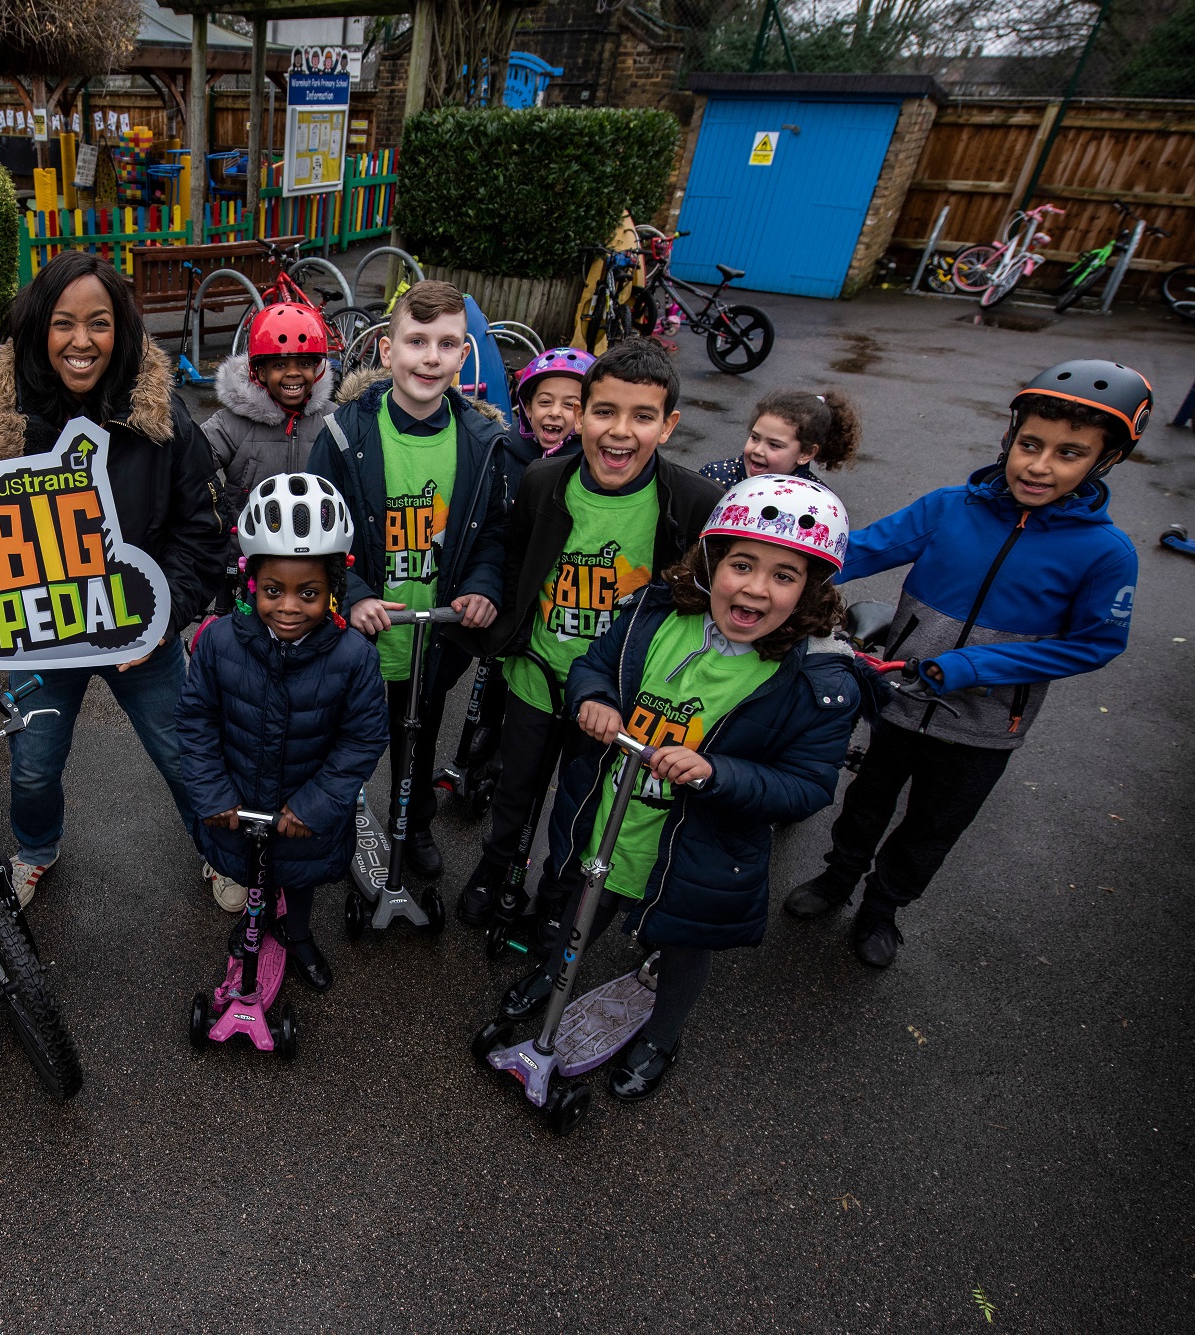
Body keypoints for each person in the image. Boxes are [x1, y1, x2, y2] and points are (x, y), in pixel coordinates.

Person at [493, 476, 860, 1099]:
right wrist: (595, 700)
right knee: (584, 906)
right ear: (711, 561)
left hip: (699, 850)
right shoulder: (653, 615)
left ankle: (662, 1034)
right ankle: (553, 977)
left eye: (784, 576)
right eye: (741, 565)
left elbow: (805, 786)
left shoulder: (817, 681)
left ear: (810, 590)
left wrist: (718, 772)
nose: (754, 588)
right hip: (612, 817)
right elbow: (592, 666)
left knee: (684, 945)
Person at [785, 359, 1150, 968]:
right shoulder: (950, 507)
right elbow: (858, 549)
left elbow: (1096, 642)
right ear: (1009, 437)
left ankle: (883, 909)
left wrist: (974, 667)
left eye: (1068, 453)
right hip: (898, 699)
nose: (1039, 465)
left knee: (933, 824)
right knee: (868, 799)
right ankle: (837, 879)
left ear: (1103, 460)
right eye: (1030, 444)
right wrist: (778, 575)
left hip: (985, 727)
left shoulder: (1105, 552)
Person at [0, 249, 230, 906]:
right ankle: (35, 848)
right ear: (37, 327)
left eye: (99, 322)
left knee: (182, 753)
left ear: (124, 329)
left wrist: (160, 620)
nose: (81, 341)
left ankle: (219, 850)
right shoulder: (4, 427)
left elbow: (201, 531)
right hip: (43, 634)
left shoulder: (162, 418)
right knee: (30, 767)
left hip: (140, 628)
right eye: (63, 323)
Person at [457, 339, 723, 928]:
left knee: (585, 807)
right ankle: (496, 869)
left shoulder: (690, 502)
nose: (619, 431)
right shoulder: (543, 481)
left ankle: (559, 893)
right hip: (536, 675)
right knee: (514, 790)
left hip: (611, 701)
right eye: (603, 411)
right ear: (580, 415)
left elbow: (695, 605)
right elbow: (515, 562)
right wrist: (504, 634)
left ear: (669, 425)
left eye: (642, 416)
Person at [305, 279, 509, 883]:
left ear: (464, 356)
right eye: (416, 341)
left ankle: (412, 825)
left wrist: (483, 586)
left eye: (447, 344)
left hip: (433, 640)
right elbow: (319, 534)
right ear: (387, 351)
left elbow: (494, 533)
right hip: (360, 641)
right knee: (343, 743)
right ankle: (333, 827)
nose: (430, 357)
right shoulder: (347, 434)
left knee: (416, 745)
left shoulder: (481, 441)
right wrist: (355, 591)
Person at [178, 473, 390, 980]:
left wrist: (315, 804)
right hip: (239, 797)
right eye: (274, 590)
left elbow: (361, 739)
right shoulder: (217, 642)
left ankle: (296, 931)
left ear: (333, 589)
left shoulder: (354, 657)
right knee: (253, 873)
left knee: (298, 875)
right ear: (252, 583)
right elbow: (196, 721)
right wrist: (212, 793)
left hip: (305, 803)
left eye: (308, 593)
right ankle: (254, 922)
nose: (289, 607)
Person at [201, 302, 337, 520]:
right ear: (261, 373)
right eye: (280, 366)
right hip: (246, 548)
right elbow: (189, 464)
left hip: (319, 548)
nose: (293, 373)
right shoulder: (230, 425)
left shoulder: (334, 422)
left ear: (316, 369)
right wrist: (217, 516)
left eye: (303, 364)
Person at [700, 388, 860, 488]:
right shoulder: (715, 478)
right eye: (755, 438)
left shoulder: (815, 502)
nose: (758, 450)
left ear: (806, 453)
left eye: (774, 445)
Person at [510, 347, 595, 463]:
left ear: (583, 414)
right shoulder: (503, 451)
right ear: (528, 408)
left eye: (569, 404)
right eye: (545, 402)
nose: (555, 413)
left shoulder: (591, 465)